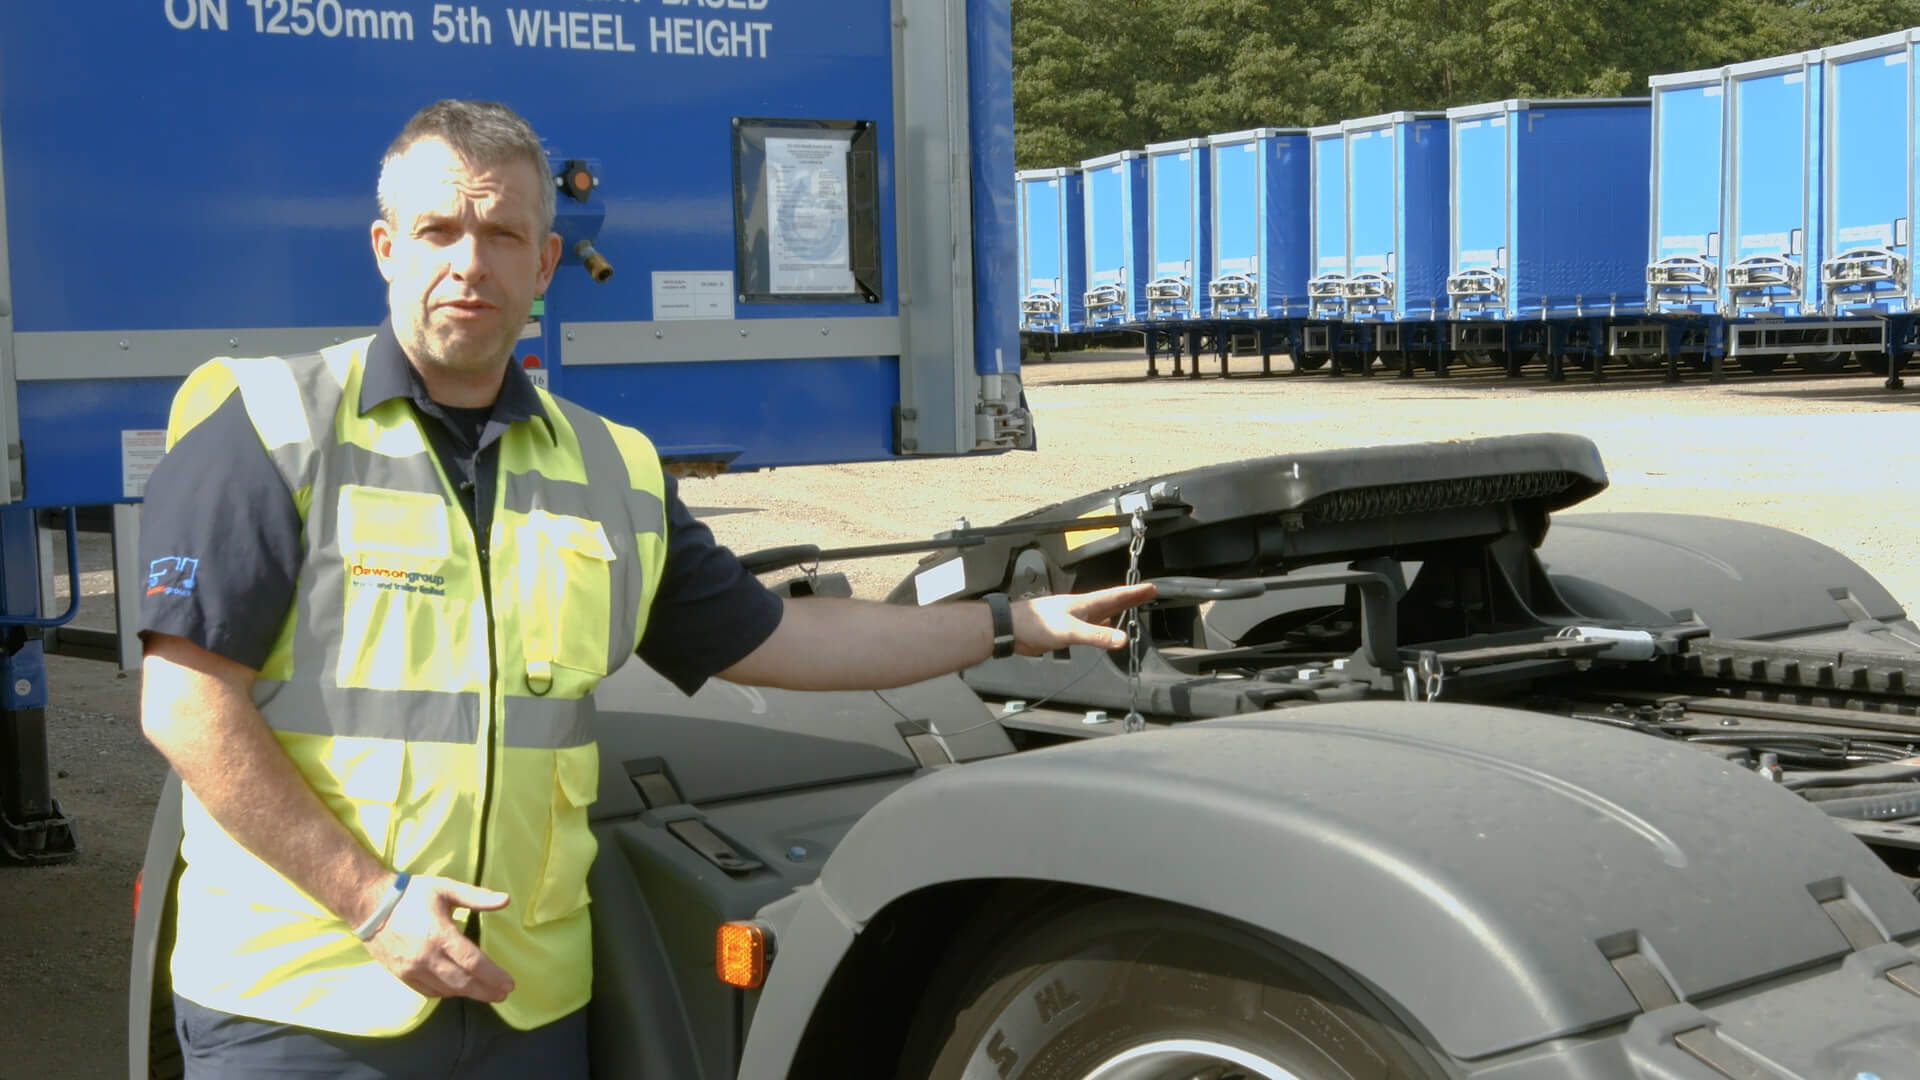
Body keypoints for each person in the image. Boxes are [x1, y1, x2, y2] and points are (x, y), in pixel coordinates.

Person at [136, 99, 1153, 1078]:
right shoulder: (270, 430)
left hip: (520, 1006)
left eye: (500, 235)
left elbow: (783, 641)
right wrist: (371, 902)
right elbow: (185, 705)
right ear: (384, 247)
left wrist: (1011, 623)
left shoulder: (610, 468)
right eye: (438, 228)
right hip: (306, 1005)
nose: (467, 262)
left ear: (543, 263)